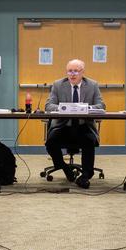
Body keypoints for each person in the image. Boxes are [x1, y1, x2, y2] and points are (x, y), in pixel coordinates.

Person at [44, 59, 104, 188]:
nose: (72, 74)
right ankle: (65, 168)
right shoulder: (58, 84)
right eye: (69, 71)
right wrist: (64, 107)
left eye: (76, 71)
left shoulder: (92, 85)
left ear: (82, 72)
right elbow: (48, 105)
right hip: (63, 126)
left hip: (84, 126)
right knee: (50, 142)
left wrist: (85, 108)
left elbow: (101, 105)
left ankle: (86, 176)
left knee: (88, 141)